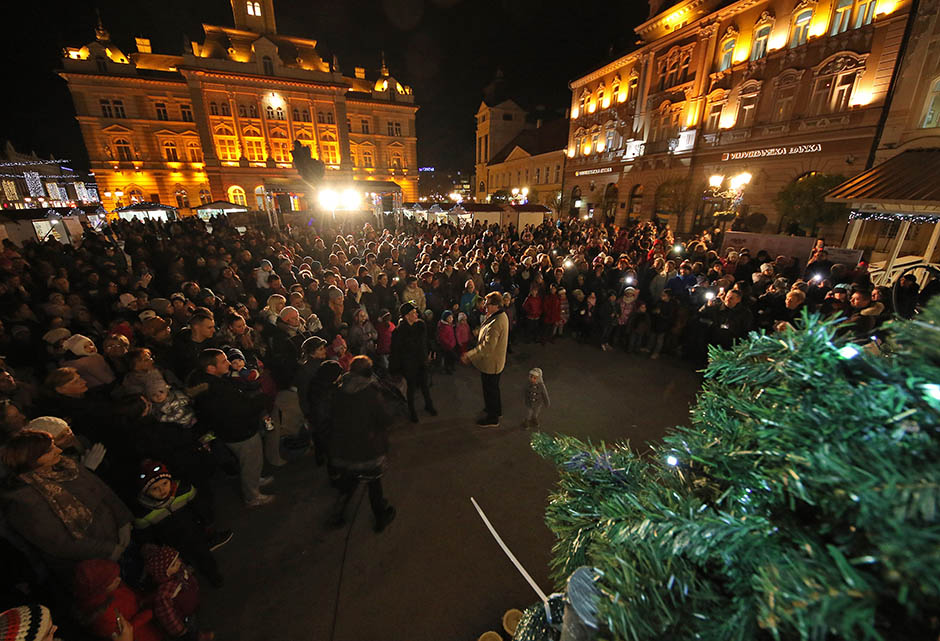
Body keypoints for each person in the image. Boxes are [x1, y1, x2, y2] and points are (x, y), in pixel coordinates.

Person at [0, 430, 134, 575]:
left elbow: (103, 491)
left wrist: (123, 521)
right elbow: (59, 542)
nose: (58, 450)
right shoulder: (23, 501)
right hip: (91, 566)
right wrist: (111, 550)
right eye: (49, 451)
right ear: (33, 460)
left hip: (118, 538)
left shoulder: (67, 466)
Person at [188, 349, 273, 507]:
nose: (228, 363)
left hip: (232, 430)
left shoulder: (210, 383)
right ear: (211, 368)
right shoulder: (217, 390)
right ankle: (252, 496)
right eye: (223, 361)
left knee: (250, 462)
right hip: (239, 431)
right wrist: (262, 398)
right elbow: (239, 409)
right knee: (250, 461)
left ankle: (255, 480)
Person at [327, 356, 397, 532]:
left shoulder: (339, 391)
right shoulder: (370, 393)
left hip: (344, 447)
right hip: (367, 446)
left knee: (349, 481)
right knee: (374, 484)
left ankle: (337, 514)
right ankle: (380, 516)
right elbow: (384, 419)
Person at [461, 292, 509, 428]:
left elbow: (487, 347)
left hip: (491, 363)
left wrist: (470, 355)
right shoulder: (500, 315)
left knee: (490, 390)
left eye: (488, 304)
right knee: (494, 388)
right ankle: (496, 410)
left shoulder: (496, 322)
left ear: (495, 305)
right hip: (496, 362)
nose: (485, 306)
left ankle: (492, 418)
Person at [389, 301, 437, 423]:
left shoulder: (421, 325)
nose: (416, 315)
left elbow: (426, 341)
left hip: (421, 360)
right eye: (413, 313)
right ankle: (412, 411)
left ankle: (429, 405)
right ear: (406, 316)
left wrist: (431, 351)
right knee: (411, 388)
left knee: (425, 385)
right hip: (409, 364)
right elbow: (395, 351)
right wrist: (395, 368)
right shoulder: (399, 332)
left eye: (416, 312)